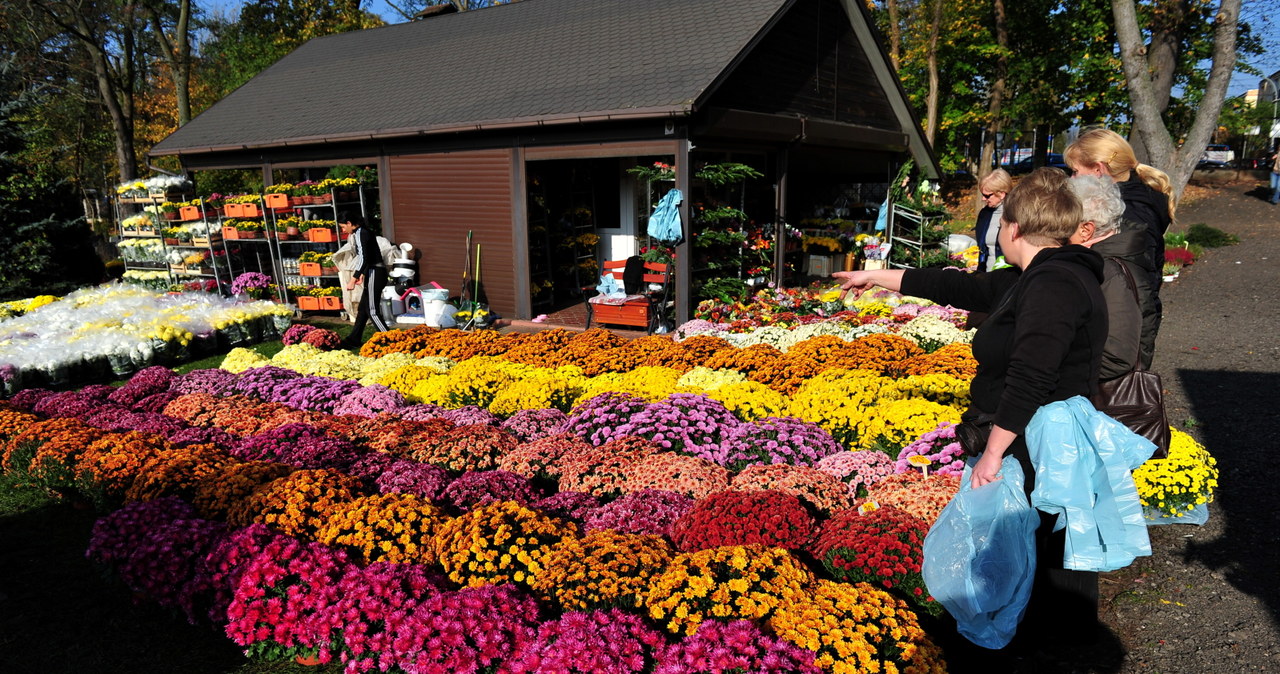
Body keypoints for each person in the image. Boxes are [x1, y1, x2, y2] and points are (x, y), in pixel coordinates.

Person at [833, 167, 1108, 655]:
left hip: (1035, 445)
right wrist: (873, 275)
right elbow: (958, 287)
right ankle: (1037, 641)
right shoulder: (1037, 275)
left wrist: (993, 454)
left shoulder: (1053, 285)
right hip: (1032, 438)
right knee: (1033, 552)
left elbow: (1032, 375)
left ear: (1014, 229)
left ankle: (1039, 650)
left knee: (1040, 554)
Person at [1064, 129, 1174, 350]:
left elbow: (1127, 285)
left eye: (1075, 171)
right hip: (1127, 331)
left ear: (1099, 170)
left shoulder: (1126, 216)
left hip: (1117, 340)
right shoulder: (1140, 203)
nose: (1071, 179)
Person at [1068, 174, 1149, 377]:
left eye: (1064, 219)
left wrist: (1053, 365)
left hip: (1100, 400)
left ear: (1086, 229)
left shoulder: (1108, 271)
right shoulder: (1109, 258)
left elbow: (1117, 357)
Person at [337, 213, 389, 349]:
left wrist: (353, 278)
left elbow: (363, 257)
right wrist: (362, 274)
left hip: (375, 273)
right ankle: (354, 339)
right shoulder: (363, 232)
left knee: (372, 311)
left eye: (343, 227)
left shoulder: (360, 233)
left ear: (349, 223)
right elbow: (369, 255)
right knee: (363, 309)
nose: (343, 230)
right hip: (373, 271)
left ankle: (391, 341)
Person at [975, 168, 1012, 271]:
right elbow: (982, 250)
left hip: (1009, 277)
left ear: (1002, 194)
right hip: (987, 276)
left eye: (987, 195)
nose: (983, 199)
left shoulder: (1016, 214)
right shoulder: (984, 214)